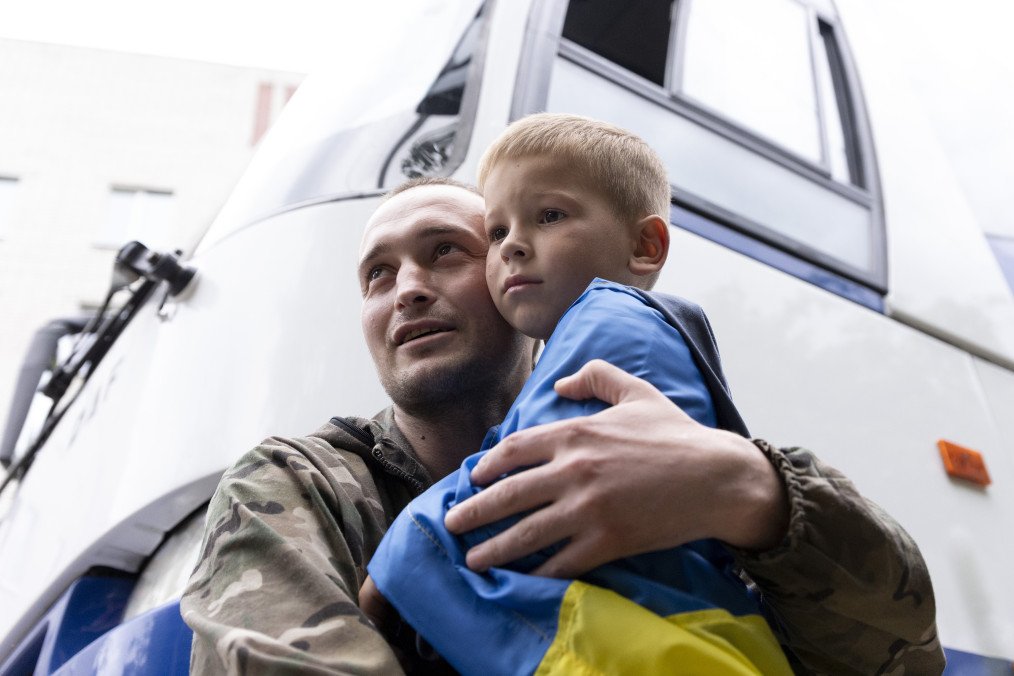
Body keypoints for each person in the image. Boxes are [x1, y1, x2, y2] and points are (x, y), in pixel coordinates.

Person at [181, 178, 944, 674]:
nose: (407, 289)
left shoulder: (667, 437)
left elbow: (906, 659)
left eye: (445, 252)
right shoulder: (298, 483)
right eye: (378, 275)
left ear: (517, 279)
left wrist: (747, 490)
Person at [366, 113, 792, 674]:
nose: (514, 245)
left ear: (645, 245)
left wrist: (402, 556)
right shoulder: (618, 333)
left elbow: (521, 486)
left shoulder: (611, 323)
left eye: (549, 216)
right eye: (497, 232)